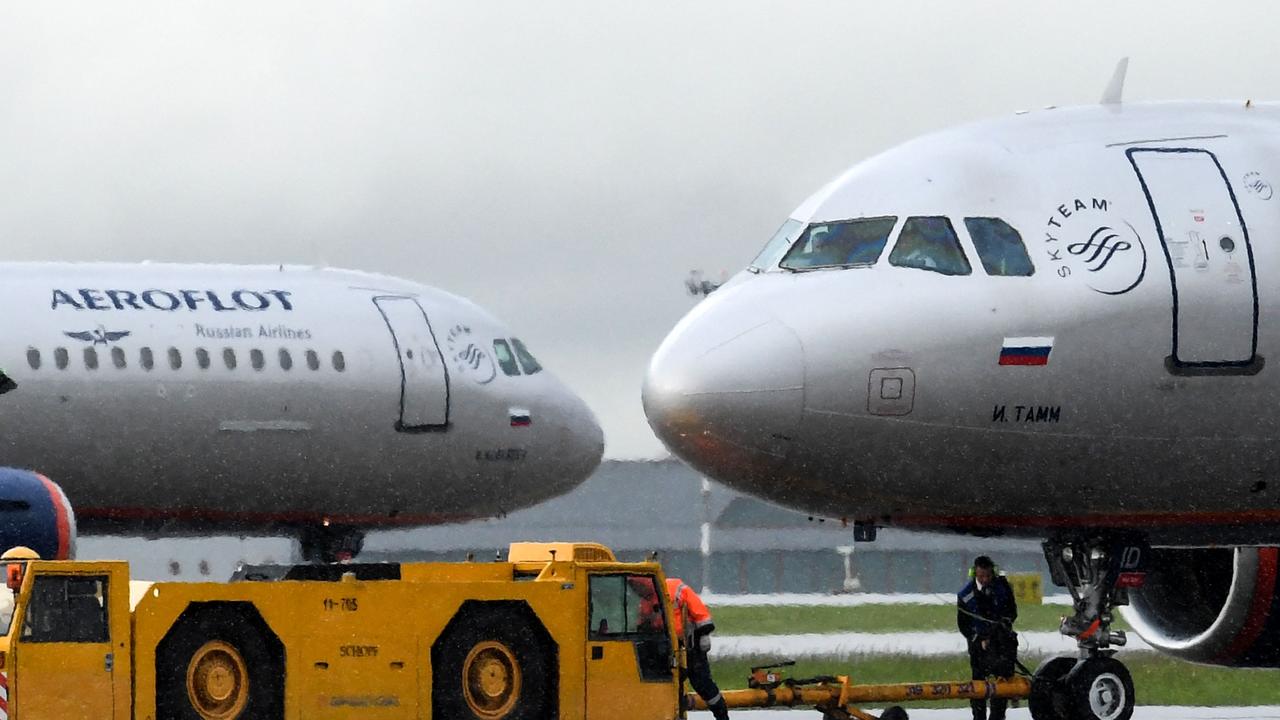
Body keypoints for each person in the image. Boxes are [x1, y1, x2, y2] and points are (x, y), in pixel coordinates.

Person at [957, 556, 1018, 720]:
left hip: (1002, 645)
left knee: (1002, 682)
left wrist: (1001, 627)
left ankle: (998, 716)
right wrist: (978, 639)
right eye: (981, 576)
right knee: (978, 682)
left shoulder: (1003, 587)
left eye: (988, 576)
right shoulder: (965, 595)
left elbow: (1012, 612)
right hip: (978, 648)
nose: (984, 580)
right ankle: (979, 716)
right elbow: (963, 625)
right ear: (974, 574)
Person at [667, 577, 730, 720]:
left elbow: (700, 613)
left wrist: (704, 633)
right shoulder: (647, 596)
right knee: (670, 686)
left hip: (691, 646)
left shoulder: (676, 588)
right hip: (669, 648)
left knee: (702, 683)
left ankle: (722, 716)